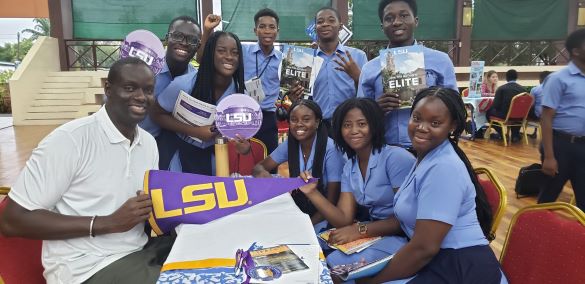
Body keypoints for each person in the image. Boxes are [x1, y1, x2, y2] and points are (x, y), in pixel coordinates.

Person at [0, 58, 173, 284]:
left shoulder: (148, 143)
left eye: (148, 90)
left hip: (138, 249)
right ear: (108, 90)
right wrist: (106, 222)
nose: (141, 97)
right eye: (130, 88)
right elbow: (11, 220)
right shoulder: (70, 140)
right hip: (85, 268)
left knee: (213, 258)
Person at [359, 87, 504, 283]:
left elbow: (424, 248)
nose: (422, 127)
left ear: (452, 126)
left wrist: (374, 282)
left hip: (461, 268)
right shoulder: (425, 156)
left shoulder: (443, 167)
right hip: (435, 259)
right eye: (417, 118)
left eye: (435, 123)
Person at [298, 98, 415, 273]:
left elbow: (408, 219)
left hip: (404, 237)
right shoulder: (350, 166)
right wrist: (313, 193)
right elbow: (344, 218)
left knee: (334, 264)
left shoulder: (396, 158)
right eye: (347, 125)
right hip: (373, 232)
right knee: (306, 244)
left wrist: (360, 230)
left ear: (374, 126)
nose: (354, 131)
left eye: (362, 124)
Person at [357, 0, 457, 150]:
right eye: (389, 18)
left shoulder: (441, 60)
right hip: (385, 150)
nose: (397, 22)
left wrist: (431, 102)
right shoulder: (369, 68)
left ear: (415, 21)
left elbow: (455, 107)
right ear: (382, 26)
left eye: (404, 16)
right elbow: (360, 115)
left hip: (431, 148)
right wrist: (375, 109)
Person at [151, 31, 245, 174]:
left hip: (213, 157)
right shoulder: (184, 84)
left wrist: (242, 144)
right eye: (221, 51)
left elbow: (238, 133)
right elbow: (156, 114)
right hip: (177, 154)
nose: (229, 57)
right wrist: (194, 131)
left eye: (235, 52)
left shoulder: (238, 93)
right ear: (209, 53)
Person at [199, 10, 283, 154]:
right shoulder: (241, 51)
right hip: (241, 114)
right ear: (255, 30)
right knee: (238, 162)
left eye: (271, 27)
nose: (267, 31)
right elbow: (202, 60)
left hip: (268, 118)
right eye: (262, 26)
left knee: (268, 161)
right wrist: (207, 31)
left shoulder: (283, 59)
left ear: (277, 31)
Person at [252, 100, 345, 227]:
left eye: (306, 120)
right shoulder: (291, 144)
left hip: (324, 216)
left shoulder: (331, 150)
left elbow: (332, 201)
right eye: (294, 120)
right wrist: (262, 173)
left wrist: (305, 226)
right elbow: (259, 167)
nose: (299, 124)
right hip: (300, 210)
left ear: (317, 122)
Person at [290, 7, 368, 135]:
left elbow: (368, 95)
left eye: (331, 20)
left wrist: (357, 77)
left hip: (351, 126)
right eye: (320, 22)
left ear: (341, 26)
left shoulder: (358, 56)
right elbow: (302, 100)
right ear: (315, 27)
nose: (325, 24)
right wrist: (295, 97)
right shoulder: (306, 60)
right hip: (318, 128)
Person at [139, 16, 202, 170]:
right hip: (136, 144)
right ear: (167, 39)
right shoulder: (144, 71)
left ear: (198, 46)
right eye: (177, 36)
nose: (184, 43)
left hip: (173, 150)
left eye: (192, 40)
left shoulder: (194, 79)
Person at [538, 29, 585, 211]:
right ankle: (535, 234)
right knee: (548, 196)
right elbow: (546, 117)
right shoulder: (558, 79)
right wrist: (549, 156)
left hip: (583, 147)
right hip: (560, 145)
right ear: (576, 51)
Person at [486, 69, 526, 142]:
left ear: (506, 78)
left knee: (488, 112)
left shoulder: (502, 89)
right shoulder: (523, 89)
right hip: (520, 117)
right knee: (516, 114)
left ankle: (502, 134)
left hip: (504, 116)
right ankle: (515, 135)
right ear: (516, 77)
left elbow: (495, 105)